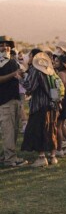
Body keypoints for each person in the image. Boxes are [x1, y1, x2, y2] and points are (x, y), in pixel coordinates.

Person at [19, 50, 58, 167]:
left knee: (39, 130)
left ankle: (41, 158)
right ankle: (53, 156)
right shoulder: (49, 70)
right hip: (52, 104)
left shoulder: (36, 70)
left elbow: (30, 87)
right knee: (51, 129)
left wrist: (20, 79)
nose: (28, 57)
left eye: (29, 55)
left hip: (39, 105)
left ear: (33, 57)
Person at [0, 37, 27, 167]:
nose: (5, 47)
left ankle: (8, 155)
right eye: (2, 45)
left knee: (14, 129)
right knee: (8, 130)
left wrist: (20, 75)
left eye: (7, 45)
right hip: (5, 101)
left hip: (15, 99)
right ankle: (10, 159)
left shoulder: (11, 61)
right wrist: (13, 74)